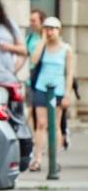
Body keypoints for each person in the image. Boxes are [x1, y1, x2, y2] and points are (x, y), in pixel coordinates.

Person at [29, 17, 74, 172]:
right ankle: (37, 159)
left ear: (59, 30)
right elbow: (33, 60)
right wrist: (42, 41)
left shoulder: (66, 49)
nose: (50, 32)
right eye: (47, 28)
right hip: (42, 87)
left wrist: (67, 94)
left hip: (58, 90)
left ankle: (54, 159)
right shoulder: (41, 46)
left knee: (55, 124)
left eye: (53, 28)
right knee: (41, 124)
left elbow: (69, 73)